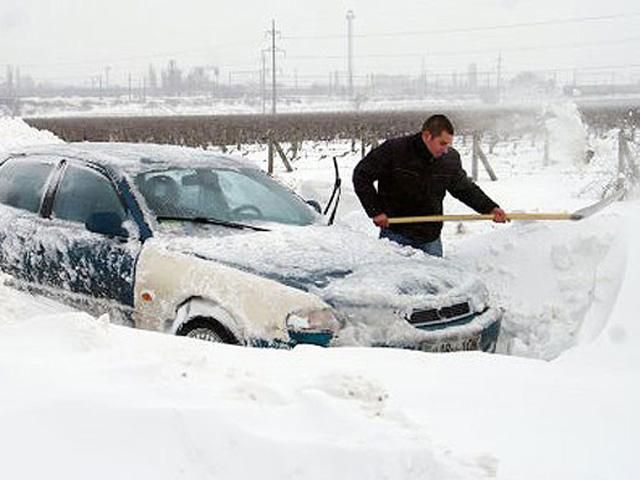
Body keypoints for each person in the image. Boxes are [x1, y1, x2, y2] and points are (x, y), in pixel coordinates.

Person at [352, 114, 507, 257]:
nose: (446, 150)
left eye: (449, 144)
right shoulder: (395, 150)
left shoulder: (449, 159)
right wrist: (376, 211)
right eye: (442, 143)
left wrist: (490, 208)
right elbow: (361, 175)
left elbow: (464, 189)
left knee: (433, 284)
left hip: (431, 239)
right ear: (427, 136)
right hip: (396, 235)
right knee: (397, 284)